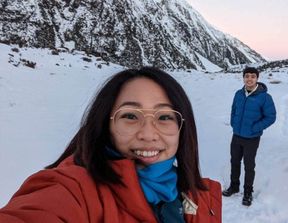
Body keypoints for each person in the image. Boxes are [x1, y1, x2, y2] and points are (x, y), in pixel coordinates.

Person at [0, 67, 222, 223]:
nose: (147, 134)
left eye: (164, 117)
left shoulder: (197, 194)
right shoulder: (75, 190)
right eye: (130, 116)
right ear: (106, 125)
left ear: (183, 128)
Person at [222, 67, 276, 206]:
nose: (249, 79)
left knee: (249, 165)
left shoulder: (264, 97)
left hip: (252, 138)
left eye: (252, 76)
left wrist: (255, 128)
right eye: (247, 76)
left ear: (257, 78)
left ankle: (247, 192)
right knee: (234, 162)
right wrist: (234, 123)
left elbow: (271, 117)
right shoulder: (238, 94)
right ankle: (234, 187)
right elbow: (233, 110)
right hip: (237, 135)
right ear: (243, 78)